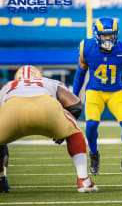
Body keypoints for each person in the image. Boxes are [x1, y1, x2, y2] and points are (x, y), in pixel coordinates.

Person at [0, 65, 98, 193]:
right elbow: (76, 105)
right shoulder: (49, 81)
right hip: (46, 107)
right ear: (38, 76)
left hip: (11, 109)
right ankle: (84, 180)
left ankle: (1, 179)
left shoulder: (8, 85)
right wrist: (64, 130)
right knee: (75, 131)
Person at [73, 17, 122, 176]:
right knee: (92, 125)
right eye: (104, 35)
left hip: (116, 91)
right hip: (95, 91)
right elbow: (80, 73)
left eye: (111, 35)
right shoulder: (86, 48)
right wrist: (73, 97)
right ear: (97, 34)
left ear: (116, 34)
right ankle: (94, 154)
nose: (108, 39)